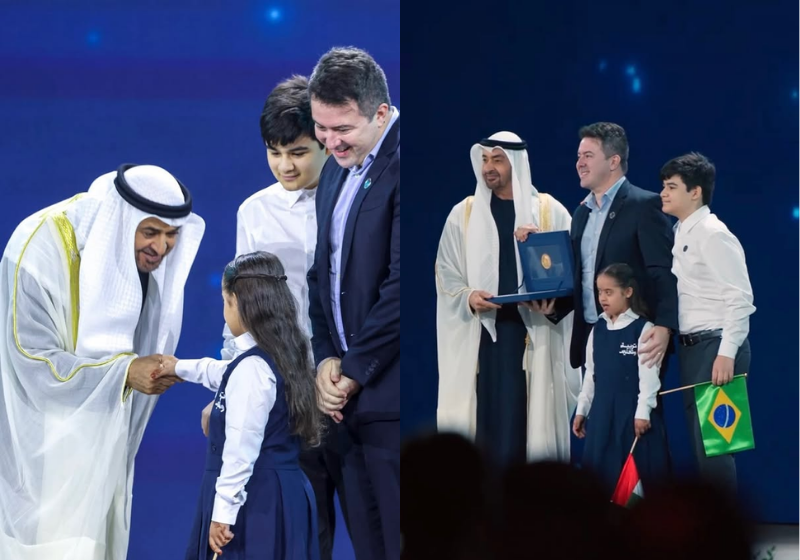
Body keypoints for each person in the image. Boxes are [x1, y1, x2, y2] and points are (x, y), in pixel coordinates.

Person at [0, 164, 205, 559]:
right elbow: (29, 360)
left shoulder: (141, 262)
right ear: (120, 221)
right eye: (150, 232)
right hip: (38, 448)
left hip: (104, 445)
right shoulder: (39, 248)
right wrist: (124, 373)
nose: (160, 249)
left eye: (171, 235)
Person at [200, 74, 348, 560]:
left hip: (350, 384)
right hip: (285, 394)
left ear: (325, 142)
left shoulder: (351, 201)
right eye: (274, 152)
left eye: (298, 152)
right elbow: (241, 312)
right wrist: (227, 391)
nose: (285, 165)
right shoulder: (254, 211)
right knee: (303, 531)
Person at [161, 251, 323, 559]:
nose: (224, 312)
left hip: (257, 502)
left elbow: (240, 452)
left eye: (225, 302)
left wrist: (222, 514)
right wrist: (178, 367)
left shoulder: (252, 370)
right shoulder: (278, 357)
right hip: (277, 495)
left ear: (238, 302)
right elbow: (222, 372)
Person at [435, 131, 580, 469]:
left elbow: (572, 273)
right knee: (484, 417)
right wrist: (469, 297)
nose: (489, 167)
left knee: (525, 421)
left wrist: (552, 302)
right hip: (481, 336)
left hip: (532, 334)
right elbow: (446, 272)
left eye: (497, 159)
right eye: (485, 159)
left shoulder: (549, 212)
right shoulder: (464, 214)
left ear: (516, 163)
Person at [307, 47, 400, 560]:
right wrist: (325, 359)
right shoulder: (336, 172)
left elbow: (401, 286)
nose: (330, 141)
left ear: (381, 113)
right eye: (322, 128)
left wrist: (357, 369)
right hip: (345, 403)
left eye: (342, 128)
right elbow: (320, 276)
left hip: (390, 397)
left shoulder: (404, 164)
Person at [548, 122, 678, 374]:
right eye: (578, 156)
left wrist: (664, 326)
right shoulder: (581, 213)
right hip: (591, 335)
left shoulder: (644, 205)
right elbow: (581, 276)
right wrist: (553, 307)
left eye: (588, 156)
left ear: (613, 161)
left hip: (634, 338)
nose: (580, 163)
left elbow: (663, 271)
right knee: (596, 413)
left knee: (637, 413)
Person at [659, 152, 754, 494]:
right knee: (703, 448)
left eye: (672, 187)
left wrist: (726, 353)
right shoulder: (681, 230)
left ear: (695, 192)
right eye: (663, 186)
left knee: (717, 447)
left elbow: (740, 298)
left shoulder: (713, 234)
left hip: (716, 348)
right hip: (692, 350)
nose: (664, 193)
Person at [572, 263, 670, 496]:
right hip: (603, 416)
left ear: (627, 292)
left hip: (631, 417)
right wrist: (582, 410)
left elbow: (649, 377)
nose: (602, 298)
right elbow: (591, 375)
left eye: (609, 292)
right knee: (601, 476)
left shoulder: (642, 329)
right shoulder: (598, 329)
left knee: (635, 478)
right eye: (599, 292)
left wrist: (643, 412)